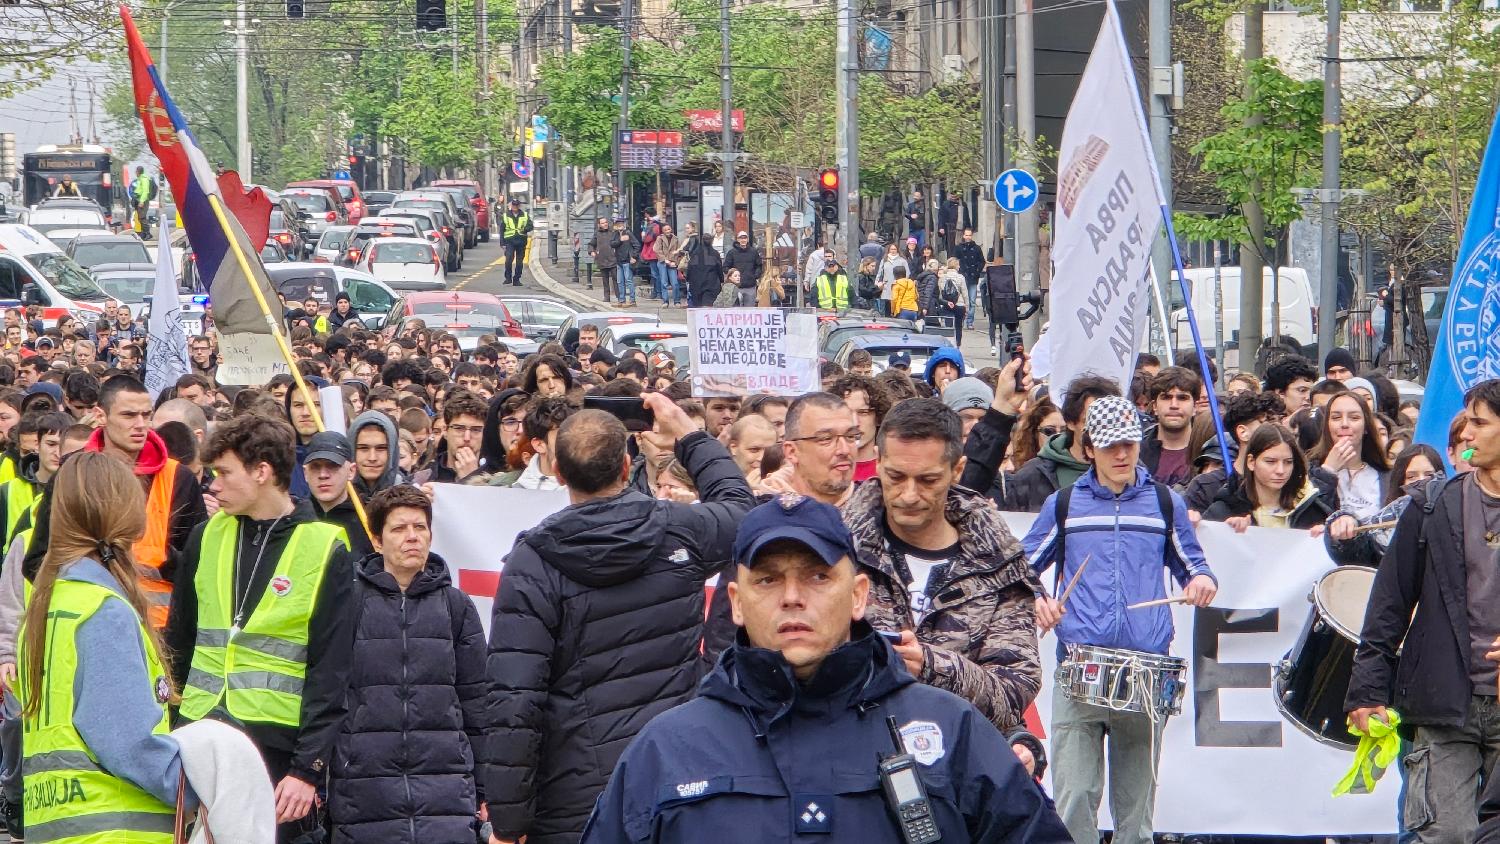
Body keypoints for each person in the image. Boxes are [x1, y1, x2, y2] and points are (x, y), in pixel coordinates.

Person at [580, 496, 1072, 844]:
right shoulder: (668, 749)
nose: (793, 597)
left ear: (858, 595)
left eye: (817, 576)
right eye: (768, 579)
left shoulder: (951, 731)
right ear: (736, 602)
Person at [483, 393, 755, 844]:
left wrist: (509, 823)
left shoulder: (531, 561)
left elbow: (514, 699)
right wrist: (686, 431)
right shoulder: (679, 528)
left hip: (580, 802)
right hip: (676, 782)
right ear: (627, 466)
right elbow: (740, 507)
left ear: (558, 472)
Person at [1023, 395, 1217, 844]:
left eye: (1129, 443)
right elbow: (1022, 570)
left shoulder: (1165, 503)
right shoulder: (1064, 504)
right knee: (1074, 799)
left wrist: (1202, 581)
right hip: (1080, 665)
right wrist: (1038, 599)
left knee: (1136, 811)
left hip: (1145, 669)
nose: (1122, 454)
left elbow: (1194, 564)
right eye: (1110, 445)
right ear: (1089, 447)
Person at [166, 412, 355, 844]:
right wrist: (170, 729)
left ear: (262, 472)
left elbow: (331, 671)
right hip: (199, 730)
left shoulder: (324, 547)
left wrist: (307, 769)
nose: (214, 486)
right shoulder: (205, 536)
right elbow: (178, 641)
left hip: (275, 747)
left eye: (224, 473)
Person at [843, 397, 1047, 761]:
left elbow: (1012, 693)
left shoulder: (999, 565)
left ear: (957, 470)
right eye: (895, 477)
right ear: (878, 461)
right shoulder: (836, 551)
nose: (909, 495)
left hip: (956, 766)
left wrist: (931, 665)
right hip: (851, 762)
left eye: (928, 480)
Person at [1349, 379, 1500, 842]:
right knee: (1444, 833)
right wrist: (1367, 689)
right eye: (1466, 422)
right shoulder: (1432, 504)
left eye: (1479, 423)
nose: (1466, 434)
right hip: (1444, 699)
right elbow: (1390, 602)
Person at [16, 453, 190, 844]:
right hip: (119, 828)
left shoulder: (45, 607)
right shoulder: (103, 610)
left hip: (55, 826)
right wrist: (193, 787)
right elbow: (129, 743)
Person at [331, 485, 489, 844]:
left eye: (420, 527)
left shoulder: (456, 606)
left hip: (446, 791)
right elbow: (329, 694)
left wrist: (485, 787)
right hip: (365, 791)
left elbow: (478, 702)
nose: (412, 537)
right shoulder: (349, 603)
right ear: (377, 540)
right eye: (399, 529)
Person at [84, 375, 206, 628]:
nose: (141, 425)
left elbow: (199, 564)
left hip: (159, 630)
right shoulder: (73, 474)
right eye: (129, 415)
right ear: (100, 416)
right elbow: (41, 557)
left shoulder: (178, 477)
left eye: (146, 415)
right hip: (89, 621)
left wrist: (163, 559)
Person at [1199, 423, 1337, 531]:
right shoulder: (1224, 511)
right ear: (1251, 462)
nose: (1280, 470)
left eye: (1288, 462)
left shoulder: (1314, 508)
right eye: (1270, 462)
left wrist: (1331, 536)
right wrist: (1226, 532)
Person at [1308, 390, 1391, 520]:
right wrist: (1327, 472)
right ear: (1327, 425)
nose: (1344, 424)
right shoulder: (1309, 470)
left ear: (1366, 427)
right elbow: (1307, 516)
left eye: (1354, 418)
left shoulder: (1387, 475)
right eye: (1336, 418)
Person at [302, 430, 375, 559]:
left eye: (333, 466)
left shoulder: (371, 518)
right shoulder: (296, 519)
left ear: (351, 471)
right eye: (315, 467)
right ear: (305, 473)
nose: (323, 475)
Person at [1140, 366, 1200, 487]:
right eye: (1166, 397)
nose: (1174, 405)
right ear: (1154, 406)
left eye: (1182, 398)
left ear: (1195, 407)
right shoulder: (1137, 452)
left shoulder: (1209, 452)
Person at [415, 389, 489, 484]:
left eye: (476, 430)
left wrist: (473, 479)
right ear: (446, 431)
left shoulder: (497, 479)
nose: (467, 438)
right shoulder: (423, 478)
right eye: (459, 428)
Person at [829, 374, 890, 483]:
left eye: (863, 413)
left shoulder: (892, 468)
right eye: (847, 413)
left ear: (878, 417)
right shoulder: (823, 468)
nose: (855, 422)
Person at [349, 409, 403, 500]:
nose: (372, 457)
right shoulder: (337, 498)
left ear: (393, 451)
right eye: (363, 448)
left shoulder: (407, 498)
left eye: (381, 448)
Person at [683, 225, 724, 307]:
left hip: (696, 284)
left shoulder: (695, 253)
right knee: (708, 307)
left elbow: (690, 268)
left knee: (698, 307)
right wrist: (721, 280)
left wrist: (687, 279)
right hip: (711, 284)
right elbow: (719, 268)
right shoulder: (715, 254)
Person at [955, 228, 986, 329]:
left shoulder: (977, 248)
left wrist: (977, 271)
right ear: (963, 236)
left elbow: (982, 261)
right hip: (962, 278)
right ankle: (961, 321)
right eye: (966, 235)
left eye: (970, 235)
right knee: (961, 301)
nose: (968, 237)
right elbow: (954, 260)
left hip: (973, 278)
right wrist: (959, 270)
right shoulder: (958, 248)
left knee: (972, 301)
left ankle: (969, 322)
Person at [724, 231, 763, 306]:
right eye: (741, 238)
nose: (743, 240)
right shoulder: (731, 253)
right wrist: (732, 276)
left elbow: (759, 266)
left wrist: (755, 276)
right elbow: (725, 267)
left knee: (749, 310)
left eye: (745, 238)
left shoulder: (753, 252)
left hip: (750, 287)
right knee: (735, 310)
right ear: (737, 239)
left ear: (747, 239)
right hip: (735, 287)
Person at [502, 199, 533, 286]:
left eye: (516, 205)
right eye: (514, 205)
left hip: (521, 240)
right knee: (508, 259)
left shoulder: (524, 215)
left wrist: (525, 229)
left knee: (519, 261)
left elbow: (530, 226)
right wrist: (502, 243)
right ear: (511, 206)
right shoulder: (506, 215)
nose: (515, 207)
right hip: (510, 241)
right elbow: (502, 230)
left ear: (519, 206)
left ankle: (516, 279)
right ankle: (508, 278)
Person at [590, 217, 618, 303]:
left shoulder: (613, 232)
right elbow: (591, 244)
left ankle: (619, 297)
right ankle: (606, 297)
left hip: (613, 259)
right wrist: (592, 251)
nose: (605, 224)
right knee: (605, 280)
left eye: (606, 222)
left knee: (616, 278)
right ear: (599, 225)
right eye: (602, 223)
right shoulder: (597, 234)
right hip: (602, 259)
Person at [131, 166, 155, 237]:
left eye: (136, 171)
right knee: (140, 218)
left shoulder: (144, 179)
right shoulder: (140, 179)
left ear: (138, 172)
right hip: (139, 200)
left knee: (142, 217)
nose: (135, 173)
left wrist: (141, 201)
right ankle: (144, 233)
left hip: (143, 201)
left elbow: (145, 191)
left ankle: (147, 233)